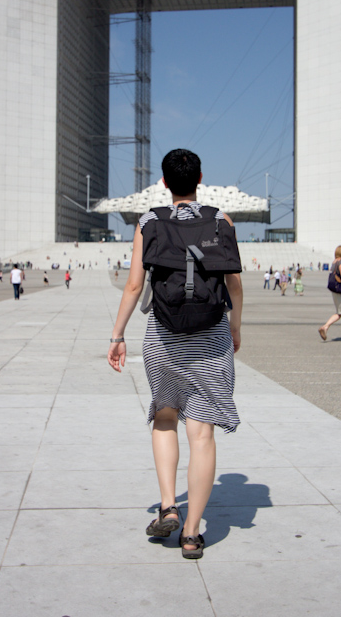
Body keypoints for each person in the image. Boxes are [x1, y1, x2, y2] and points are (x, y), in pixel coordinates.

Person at [107, 149, 243, 561]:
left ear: (164, 182)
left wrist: (117, 334)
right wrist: (235, 327)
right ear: (200, 177)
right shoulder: (222, 220)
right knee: (201, 434)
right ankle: (191, 533)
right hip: (211, 337)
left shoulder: (148, 222)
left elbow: (133, 287)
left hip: (162, 338)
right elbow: (234, 284)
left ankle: (168, 504)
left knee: (164, 417)